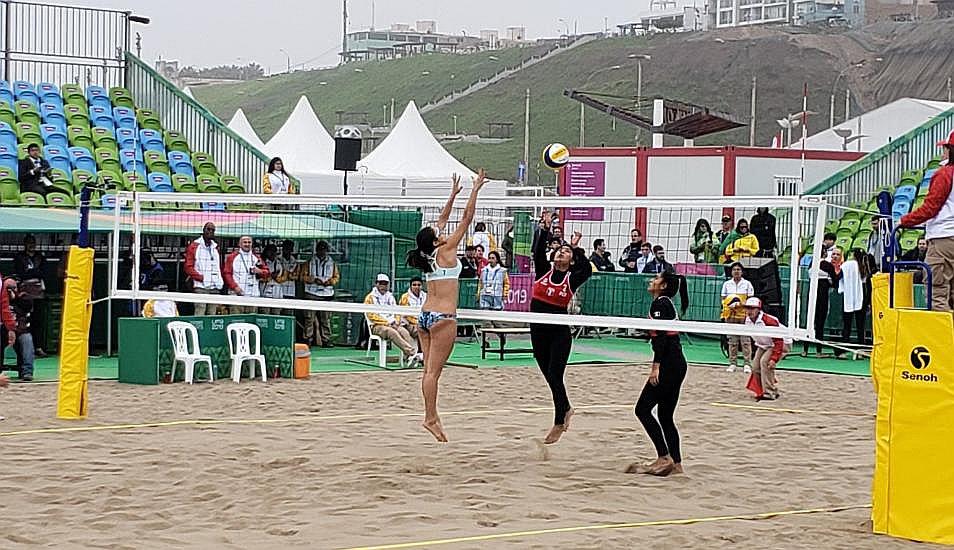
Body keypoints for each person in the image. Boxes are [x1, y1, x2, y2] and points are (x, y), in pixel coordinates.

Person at [406, 169, 487, 442]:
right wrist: (475, 190)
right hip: (443, 318)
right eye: (437, 231)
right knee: (432, 373)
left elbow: (442, 219)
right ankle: (430, 417)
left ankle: (431, 416)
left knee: (428, 371)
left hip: (425, 317)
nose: (440, 228)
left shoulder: (427, 253)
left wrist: (452, 195)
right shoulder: (448, 248)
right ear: (436, 239)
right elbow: (467, 219)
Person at [530, 210, 592, 444]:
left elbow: (586, 269)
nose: (561, 253)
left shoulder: (572, 278)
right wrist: (545, 227)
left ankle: (559, 420)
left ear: (571, 259)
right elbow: (536, 252)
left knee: (555, 374)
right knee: (549, 375)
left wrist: (575, 247)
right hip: (538, 330)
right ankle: (566, 407)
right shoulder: (544, 271)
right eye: (559, 250)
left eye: (565, 252)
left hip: (559, 333)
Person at [627, 270, 689, 476]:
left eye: (656, 278)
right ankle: (677, 464)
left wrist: (656, 367)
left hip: (670, 365)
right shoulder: (664, 303)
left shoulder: (660, 304)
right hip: (677, 364)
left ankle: (664, 456)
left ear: (663, 286)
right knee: (665, 416)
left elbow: (662, 340)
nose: (651, 280)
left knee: (642, 410)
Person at [900, 131, 954, 311]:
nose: (943, 152)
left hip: (944, 238)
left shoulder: (945, 173)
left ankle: (941, 339)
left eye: (945, 148)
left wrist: (903, 221)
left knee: (936, 292)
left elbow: (930, 208)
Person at [364, 273, 419, 364]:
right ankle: (411, 353)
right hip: (377, 326)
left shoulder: (390, 296)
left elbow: (397, 311)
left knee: (404, 331)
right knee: (392, 332)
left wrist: (396, 321)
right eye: (381, 283)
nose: (383, 286)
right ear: (376, 284)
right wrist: (386, 322)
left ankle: (409, 357)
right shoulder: (370, 298)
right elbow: (371, 316)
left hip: (393, 323)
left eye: (385, 283)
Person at [744, 297, 791, 401]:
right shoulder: (747, 320)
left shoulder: (769, 321)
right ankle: (762, 390)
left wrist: (774, 358)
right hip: (765, 344)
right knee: (755, 366)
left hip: (781, 343)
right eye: (747, 308)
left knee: (766, 362)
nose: (749, 311)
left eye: (752, 308)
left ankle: (770, 392)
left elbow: (779, 341)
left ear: (758, 309)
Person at [802, 240, 839, 357]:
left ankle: (805, 350)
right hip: (822, 296)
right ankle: (818, 351)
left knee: (810, 322)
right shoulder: (827, 265)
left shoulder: (811, 264)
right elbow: (835, 282)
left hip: (811, 295)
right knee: (820, 323)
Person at [13, 235, 47, 356]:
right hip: (25, 295)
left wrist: (30, 273)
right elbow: (20, 274)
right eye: (29, 243)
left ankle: (38, 347)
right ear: (25, 244)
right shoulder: (19, 257)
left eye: (33, 242)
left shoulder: (40, 257)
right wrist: (32, 273)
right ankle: (25, 348)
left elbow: (43, 273)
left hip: (39, 294)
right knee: (24, 321)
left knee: (38, 321)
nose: (31, 245)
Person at [303, 240, 338, 348]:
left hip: (326, 294)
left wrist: (329, 282)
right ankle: (308, 339)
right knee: (309, 318)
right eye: (320, 249)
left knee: (325, 319)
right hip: (311, 293)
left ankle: (326, 339)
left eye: (324, 249)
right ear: (316, 250)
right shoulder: (310, 262)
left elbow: (336, 277)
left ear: (327, 251)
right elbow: (303, 276)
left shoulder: (332, 263)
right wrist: (312, 280)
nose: (322, 251)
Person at [721, 262, 754, 373]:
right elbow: (723, 299)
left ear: (742, 271)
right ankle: (732, 363)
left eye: (738, 269)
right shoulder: (727, 284)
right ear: (731, 271)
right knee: (732, 341)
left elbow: (751, 300)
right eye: (734, 269)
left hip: (744, 315)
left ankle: (747, 364)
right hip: (730, 315)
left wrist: (739, 304)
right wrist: (730, 305)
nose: (736, 271)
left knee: (745, 341)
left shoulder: (747, 284)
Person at [223, 235, 269, 313]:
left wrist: (259, 271)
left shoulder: (256, 257)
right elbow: (227, 274)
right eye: (245, 242)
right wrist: (235, 287)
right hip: (237, 294)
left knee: (251, 321)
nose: (247, 244)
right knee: (237, 319)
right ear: (240, 244)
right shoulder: (232, 257)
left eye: (249, 242)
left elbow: (267, 272)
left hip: (253, 295)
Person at [184, 222, 223, 316]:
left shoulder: (215, 247)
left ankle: (210, 331)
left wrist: (218, 279)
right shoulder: (194, 246)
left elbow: (217, 266)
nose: (210, 232)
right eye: (208, 229)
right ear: (203, 230)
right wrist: (202, 278)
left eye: (213, 230)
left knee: (212, 314)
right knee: (200, 311)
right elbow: (188, 267)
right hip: (201, 286)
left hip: (215, 286)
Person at [2, 278, 34, 382]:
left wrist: (15, 297)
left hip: (20, 331)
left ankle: (27, 372)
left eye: (13, 288)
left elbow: (28, 305)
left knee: (27, 340)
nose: (10, 290)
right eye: (8, 288)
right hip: (4, 330)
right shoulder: (1, 298)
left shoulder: (23, 298)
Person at [836, 248, 867, 347]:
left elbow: (838, 276)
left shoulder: (846, 265)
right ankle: (861, 347)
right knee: (860, 325)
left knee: (847, 324)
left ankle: (844, 346)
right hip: (860, 297)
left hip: (848, 296)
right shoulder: (863, 266)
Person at [399, 276, 427, 348]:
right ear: (410, 286)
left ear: (422, 286)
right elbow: (406, 315)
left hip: (423, 322)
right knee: (421, 331)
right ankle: (420, 353)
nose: (416, 287)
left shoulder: (426, 296)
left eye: (419, 285)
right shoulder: (405, 297)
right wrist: (418, 322)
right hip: (409, 323)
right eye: (414, 285)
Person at [276, 239, 300, 316]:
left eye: (290, 248)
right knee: (278, 313)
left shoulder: (294, 260)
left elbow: (295, 275)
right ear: (283, 248)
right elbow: (279, 274)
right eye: (286, 248)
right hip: (279, 290)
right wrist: (287, 274)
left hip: (290, 291)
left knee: (288, 314)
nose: (288, 250)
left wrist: (287, 274)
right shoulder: (277, 259)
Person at [260, 243, 284, 315]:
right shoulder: (261, 262)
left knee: (276, 313)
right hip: (265, 291)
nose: (272, 253)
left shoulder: (279, 263)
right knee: (265, 313)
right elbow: (261, 277)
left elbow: (279, 276)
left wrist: (272, 276)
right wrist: (271, 275)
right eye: (270, 251)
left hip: (277, 292)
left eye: (274, 251)